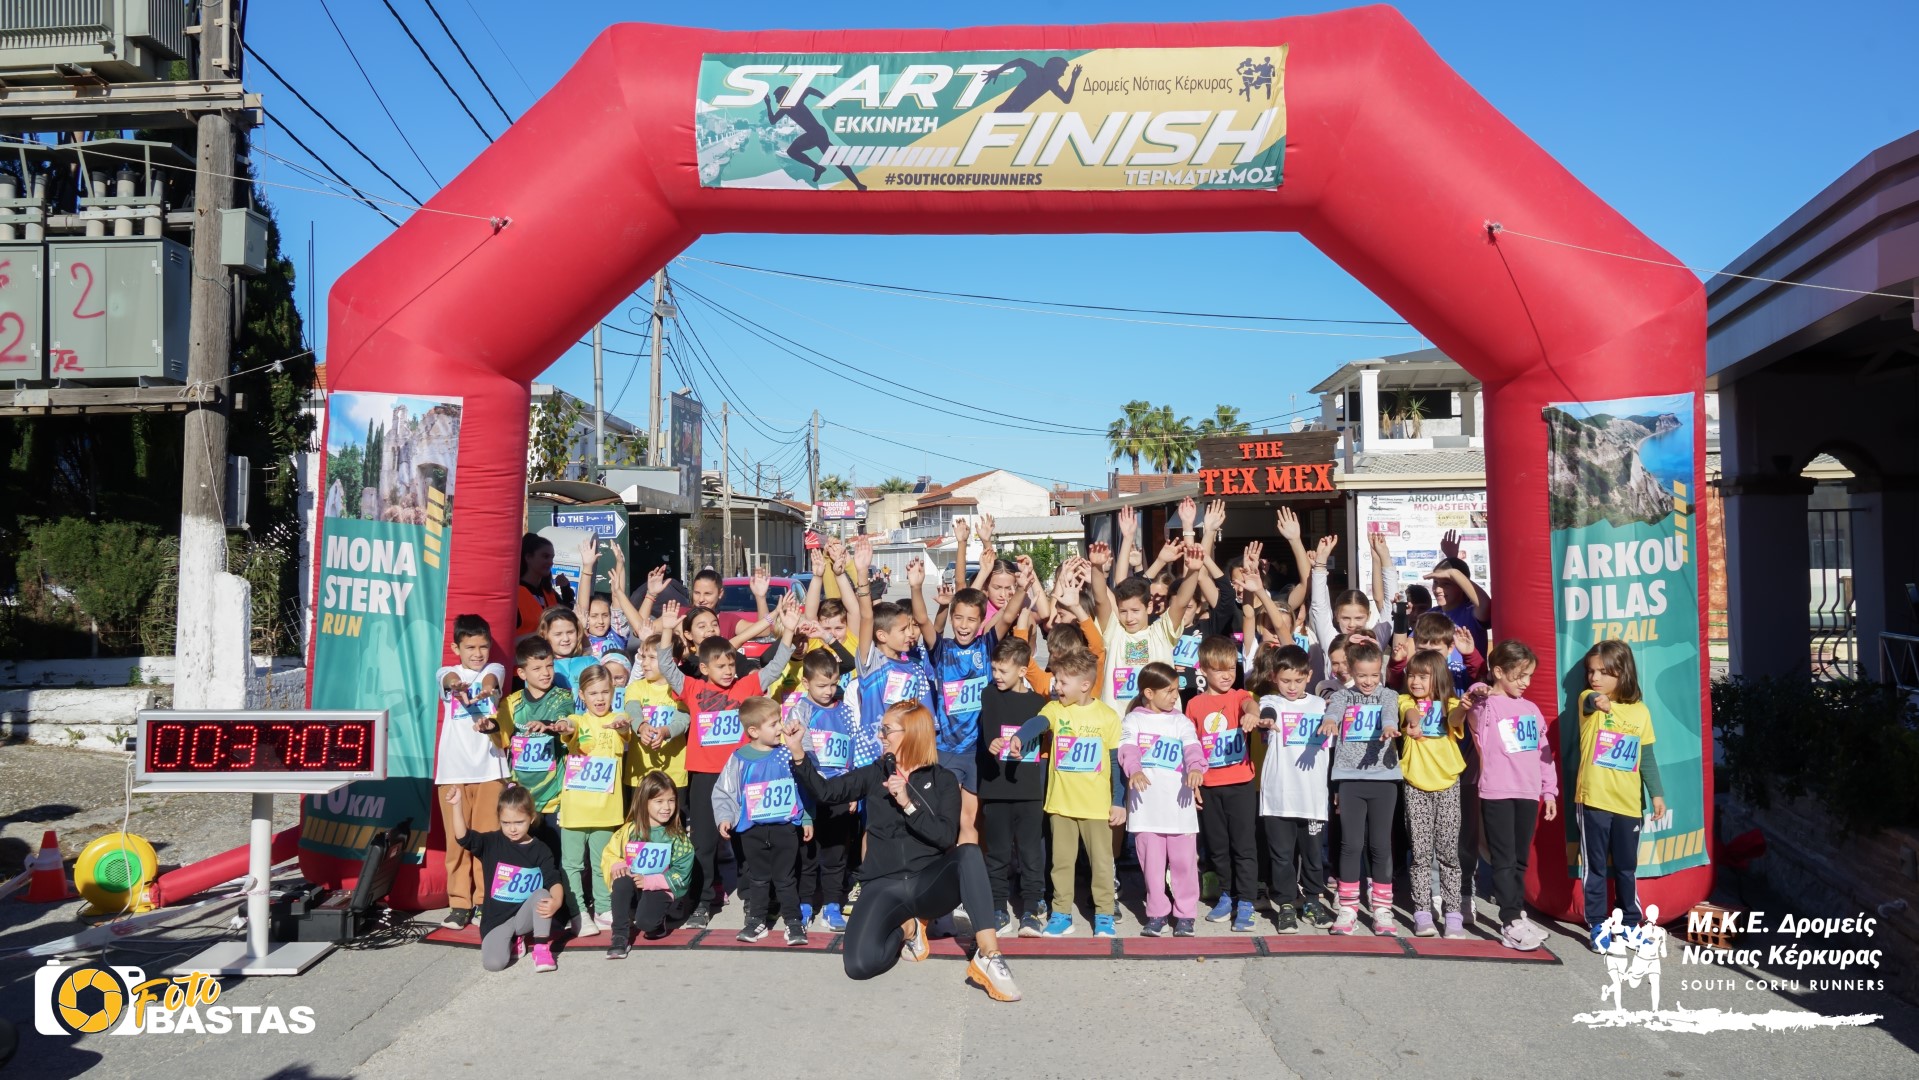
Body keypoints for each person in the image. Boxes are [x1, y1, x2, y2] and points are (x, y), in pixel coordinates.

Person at [784, 702, 1022, 1002]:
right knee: (859, 965)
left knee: (970, 853)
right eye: (881, 729)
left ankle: (989, 955)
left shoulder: (943, 780)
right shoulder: (874, 774)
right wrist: (798, 752)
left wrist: (909, 804)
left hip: (927, 885)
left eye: (887, 730)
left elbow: (944, 836)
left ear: (911, 733)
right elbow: (827, 792)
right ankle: (909, 929)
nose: (880, 735)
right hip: (882, 885)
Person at [653, 596, 800, 929]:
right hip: (705, 775)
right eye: (721, 666)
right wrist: (666, 631)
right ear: (705, 668)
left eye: (732, 664)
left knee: (745, 839)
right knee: (704, 842)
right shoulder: (692, 688)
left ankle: (753, 900)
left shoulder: (746, 685)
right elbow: (667, 667)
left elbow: (775, 668)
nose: (729, 670)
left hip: (741, 773)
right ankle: (703, 902)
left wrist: (788, 632)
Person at [995, 648, 1125, 938]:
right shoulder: (1055, 709)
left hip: (1097, 808)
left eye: (1063, 682)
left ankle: (1104, 914)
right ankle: (1062, 914)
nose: (1057, 687)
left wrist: (1118, 801)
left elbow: (1116, 763)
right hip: (1061, 805)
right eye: (1056, 681)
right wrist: (1019, 737)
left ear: (1085, 685)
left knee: (1102, 864)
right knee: (1061, 864)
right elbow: (1037, 724)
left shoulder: (1108, 717)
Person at [909, 556, 1025, 847]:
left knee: (970, 818)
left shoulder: (987, 645)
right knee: (943, 815)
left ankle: (969, 868)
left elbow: (1008, 616)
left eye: (972, 620)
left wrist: (1023, 588)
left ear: (981, 621)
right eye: (958, 618)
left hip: (978, 750)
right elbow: (922, 620)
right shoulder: (941, 649)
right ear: (951, 619)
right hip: (945, 749)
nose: (964, 625)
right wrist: (916, 587)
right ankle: (944, 867)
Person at [1466, 639, 1556, 951]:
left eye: (1529, 676)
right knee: (1503, 860)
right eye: (1519, 676)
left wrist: (1549, 791)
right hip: (1498, 792)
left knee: (1519, 860)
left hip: (1528, 793)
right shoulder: (1487, 705)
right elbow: (1475, 704)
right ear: (1499, 672)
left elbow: (1544, 754)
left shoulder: (1531, 709)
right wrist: (1479, 689)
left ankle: (1517, 913)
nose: (1525, 682)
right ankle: (1509, 922)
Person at [1576, 639, 1666, 950]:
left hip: (1629, 804)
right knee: (1596, 867)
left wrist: (1656, 794)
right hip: (1594, 800)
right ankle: (1597, 924)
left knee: (1627, 868)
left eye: (1604, 672)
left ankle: (1629, 924)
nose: (1595, 677)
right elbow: (1590, 700)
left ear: (1622, 672)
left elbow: (1647, 756)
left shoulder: (1641, 712)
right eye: (1591, 671)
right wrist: (1598, 701)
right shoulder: (1588, 699)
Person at [712, 697, 813, 945]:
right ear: (754, 731)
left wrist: (806, 817)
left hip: (785, 828)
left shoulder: (787, 754)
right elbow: (725, 791)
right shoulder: (739, 758)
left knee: (786, 878)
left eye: (780, 721)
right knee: (757, 877)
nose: (780, 727)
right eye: (773, 724)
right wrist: (725, 817)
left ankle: (793, 921)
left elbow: (802, 787)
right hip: (752, 831)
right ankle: (756, 921)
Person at [1118, 663, 1206, 937]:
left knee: (1184, 865)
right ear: (1149, 693)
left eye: (1176, 690)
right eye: (1169, 691)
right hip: (1146, 809)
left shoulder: (1180, 721)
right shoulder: (1133, 720)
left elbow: (1193, 748)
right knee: (1152, 868)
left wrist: (1195, 768)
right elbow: (1128, 749)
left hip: (1179, 808)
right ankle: (1156, 914)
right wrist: (1134, 770)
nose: (1175, 696)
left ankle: (1185, 915)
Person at [1251, 644, 1334, 933]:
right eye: (1285, 680)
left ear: (1309, 676)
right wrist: (1267, 721)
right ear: (1274, 677)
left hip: (1312, 797)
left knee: (1312, 856)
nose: (1292, 686)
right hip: (1278, 797)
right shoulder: (1271, 701)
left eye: (1298, 680)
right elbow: (1268, 711)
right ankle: (1285, 904)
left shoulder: (1321, 705)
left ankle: (1312, 901)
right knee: (1282, 856)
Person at [1322, 639, 1403, 935]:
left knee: (1380, 845)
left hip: (1384, 778)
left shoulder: (1388, 694)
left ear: (1380, 671)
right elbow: (1333, 711)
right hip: (1350, 779)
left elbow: (1389, 713)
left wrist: (1389, 727)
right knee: (1351, 844)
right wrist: (1330, 721)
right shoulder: (1344, 696)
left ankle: (1382, 909)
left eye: (1373, 675)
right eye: (1361, 675)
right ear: (1352, 672)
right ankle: (1348, 908)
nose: (1368, 681)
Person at [434, 614, 509, 931]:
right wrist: (457, 686)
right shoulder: (446, 673)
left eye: (483, 646)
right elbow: (448, 678)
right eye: (470, 647)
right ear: (456, 648)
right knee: (457, 842)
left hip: (491, 771)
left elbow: (492, 678)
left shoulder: (496, 669)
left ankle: (483, 901)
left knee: (487, 840)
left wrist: (487, 691)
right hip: (453, 773)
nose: (478, 653)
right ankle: (459, 904)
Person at [1185, 634, 1262, 931]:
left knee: (1244, 846)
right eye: (1219, 670)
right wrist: (1193, 784)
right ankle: (1227, 894)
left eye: (1231, 668)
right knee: (1217, 847)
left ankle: (1247, 901)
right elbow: (1190, 746)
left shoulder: (1239, 696)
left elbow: (1251, 706)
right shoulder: (1194, 705)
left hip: (1240, 783)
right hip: (1209, 786)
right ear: (1203, 670)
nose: (1227, 675)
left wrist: (1251, 716)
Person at [976, 635, 1051, 936]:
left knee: (1031, 854)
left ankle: (1031, 910)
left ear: (1022, 671)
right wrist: (993, 742)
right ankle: (998, 908)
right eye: (994, 669)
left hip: (1029, 791)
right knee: (997, 854)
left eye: (1003, 670)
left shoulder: (1038, 703)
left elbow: (1043, 732)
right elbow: (990, 728)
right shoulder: (989, 694)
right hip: (996, 788)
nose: (996, 675)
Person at [444, 784, 561, 972]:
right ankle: (513, 940)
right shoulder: (491, 843)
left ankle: (541, 949)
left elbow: (553, 879)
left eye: (519, 822)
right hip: (496, 919)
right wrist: (457, 805)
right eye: (506, 823)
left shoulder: (540, 849)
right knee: (493, 964)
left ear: (531, 818)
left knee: (543, 894)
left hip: (524, 916)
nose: (512, 828)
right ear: (499, 819)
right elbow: (463, 837)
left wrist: (557, 901)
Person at [498, 635, 575, 909]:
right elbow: (499, 733)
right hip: (523, 800)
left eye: (550, 666)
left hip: (555, 798)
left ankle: (560, 909)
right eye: (537, 668)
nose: (546, 673)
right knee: (524, 859)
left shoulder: (563, 697)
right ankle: (522, 909)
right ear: (521, 673)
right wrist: (489, 727)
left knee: (554, 858)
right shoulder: (511, 703)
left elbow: (565, 719)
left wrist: (549, 724)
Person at [552, 664, 630, 933]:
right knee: (573, 864)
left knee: (601, 862)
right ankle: (578, 913)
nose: (599, 698)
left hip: (607, 810)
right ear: (582, 695)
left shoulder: (619, 718)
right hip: (575, 809)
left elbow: (624, 726)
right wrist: (565, 725)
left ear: (613, 692)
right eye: (593, 693)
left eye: (605, 692)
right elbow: (570, 726)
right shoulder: (577, 719)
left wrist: (622, 725)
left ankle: (604, 908)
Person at [1398, 649, 1469, 939]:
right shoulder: (1404, 700)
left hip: (1448, 785)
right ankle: (1422, 913)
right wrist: (1414, 721)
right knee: (1421, 854)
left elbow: (1455, 718)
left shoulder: (1450, 703)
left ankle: (1453, 914)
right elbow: (1409, 712)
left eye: (1423, 676)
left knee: (1449, 853)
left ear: (1437, 678)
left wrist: (1465, 706)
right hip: (1416, 785)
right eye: (1412, 675)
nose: (1415, 681)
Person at [788, 648, 860, 932]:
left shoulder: (845, 710)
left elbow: (853, 750)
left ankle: (832, 904)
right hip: (809, 791)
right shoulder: (801, 710)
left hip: (840, 790)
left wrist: (853, 790)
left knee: (836, 852)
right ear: (806, 682)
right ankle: (805, 902)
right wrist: (813, 779)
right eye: (822, 685)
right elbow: (799, 747)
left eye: (833, 684)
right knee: (808, 851)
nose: (829, 691)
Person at [601, 770, 695, 958]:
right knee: (621, 881)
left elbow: (682, 874)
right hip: (635, 884)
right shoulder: (629, 830)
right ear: (644, 802)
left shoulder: (678, 838)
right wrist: (618, 865)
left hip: (660, 889)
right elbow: (610, 853)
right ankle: (619, 935)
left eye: (671, 800)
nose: (666, 807)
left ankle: (658, 921)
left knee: (646, 924)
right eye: (659, 801)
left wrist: (649, 882)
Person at [621, 633, 690, 818]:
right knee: (638, 825)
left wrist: (665, 732)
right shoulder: (636, 687)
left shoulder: (683, 687)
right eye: (643, 657)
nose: (644, 663)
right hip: (640, 773)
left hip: (674, 773)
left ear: (671, 661)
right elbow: (632, 710)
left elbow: (682, 720)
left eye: (652, 658)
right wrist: (642, 727)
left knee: (673, 826)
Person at [540, 607, 594, 703]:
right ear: (545, 635)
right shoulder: (538, 668)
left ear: (578, 633)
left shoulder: (589, 662)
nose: (566, 639)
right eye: (558, 634)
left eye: (570, 632)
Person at [516, 534, 558, 642]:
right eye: (545, 556)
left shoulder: (550, 593)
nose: (550, 562)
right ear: (528, 557)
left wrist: (566, 589)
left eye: (552, 557)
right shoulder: (514, 594)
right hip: (523, 651)